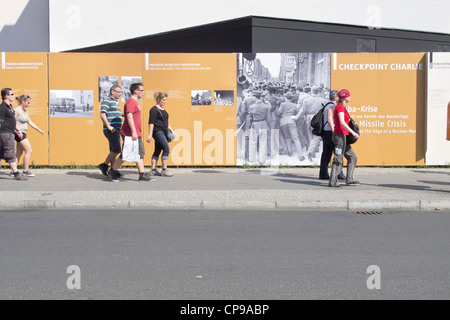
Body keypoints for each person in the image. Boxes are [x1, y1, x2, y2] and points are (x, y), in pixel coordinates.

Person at [107, 83, 154, 182]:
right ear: (136, 91)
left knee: (140, 153)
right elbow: (129, 116)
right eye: (141, 90)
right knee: (126, 154)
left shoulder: (135, 102)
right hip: (130, 133)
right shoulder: (131, 102)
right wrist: (133, 132)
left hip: (136, 133)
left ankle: (142, 174)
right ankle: (112, 171)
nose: (143, 93)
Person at [329, 89, 359, 187]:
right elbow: (342, 122)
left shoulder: (340, 106)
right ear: (345, 97)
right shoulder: (340, 107)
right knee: (338, 159)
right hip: (340, 137)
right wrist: (353, 133)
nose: (350, 97)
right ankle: (333, 181)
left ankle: (349, 179)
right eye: (349, 96)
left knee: (352, 157)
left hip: (343, 136)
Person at [13, 95, 44, 177]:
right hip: (19, 133)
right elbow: (12, 121)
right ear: (22, 101)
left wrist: (38, 129)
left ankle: (13, 170)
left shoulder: (24, 111)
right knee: (29, 150)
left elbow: (30, 122)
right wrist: (17, 131)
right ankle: (25, 170)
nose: (29, 104)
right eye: (28, 102)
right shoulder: (16, 110)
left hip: (23, 133)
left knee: (19, 152)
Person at [147, 91, 175, 177]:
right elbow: (151, 123)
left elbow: (166, 122)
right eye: (163, 100)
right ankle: (164, 170)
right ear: (158, 99)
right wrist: (150, 134)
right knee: (166, 149)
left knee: (157, 151)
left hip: (164, 132)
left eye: (165, 100)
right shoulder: (154, 109)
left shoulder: (163, 109)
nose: (165, 102)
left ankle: (153, 170)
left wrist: (172, 131)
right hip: (158, 132)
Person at [0, 88, 26, 180]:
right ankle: (16, 173)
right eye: (11, 94)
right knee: (10, 152)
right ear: (6, 96)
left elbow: (12, 120)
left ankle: (16, 173)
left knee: (1, 153)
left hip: (10, 132)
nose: (13, 96)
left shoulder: (10, 106)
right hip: (5, 133)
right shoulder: (3, 107)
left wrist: (18, 130)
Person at [319, 90, 345, 180]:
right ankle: (339, 174)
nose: (339, 98)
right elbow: (330, 120)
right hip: (331, 131)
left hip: (325, 131)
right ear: (335, 97)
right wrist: (334, 132)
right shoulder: (332, 107)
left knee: (326, 153)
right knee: (338, 152)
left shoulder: (326, 105)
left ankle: (323, 174)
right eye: (338, 96)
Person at [98, 85, 123, 176]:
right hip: (112, 129)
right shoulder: (107, 100)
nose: (120, 94)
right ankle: (104, 165)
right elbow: (102, 114)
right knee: (116, 149)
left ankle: (113, 170)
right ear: (112, 92)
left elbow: (112, 113)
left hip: (116, 129)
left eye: (121, 92)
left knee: (113, 150)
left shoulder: (114, 102)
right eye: (119, 92)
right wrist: (109, 126)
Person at [275, 92, 305, 161]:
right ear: (291, 99)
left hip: (283, 122)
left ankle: (290, 151)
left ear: (286, 98)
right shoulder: (294, 105)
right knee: (295, 138)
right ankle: (300, 156)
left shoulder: (282, 104)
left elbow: (277, 113)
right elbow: (298, 114)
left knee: (287, 137)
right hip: (291, 121)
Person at [248, 90, 270, 165]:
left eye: (252, 96)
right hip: (264, 124)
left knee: (252, 142)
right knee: (263, 143)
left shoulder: (251, 107)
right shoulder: (266, 106)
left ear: (255, 97)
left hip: (255, 125)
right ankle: (262, 160)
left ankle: (251, 159)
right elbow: (268, 118)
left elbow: (250, 117)